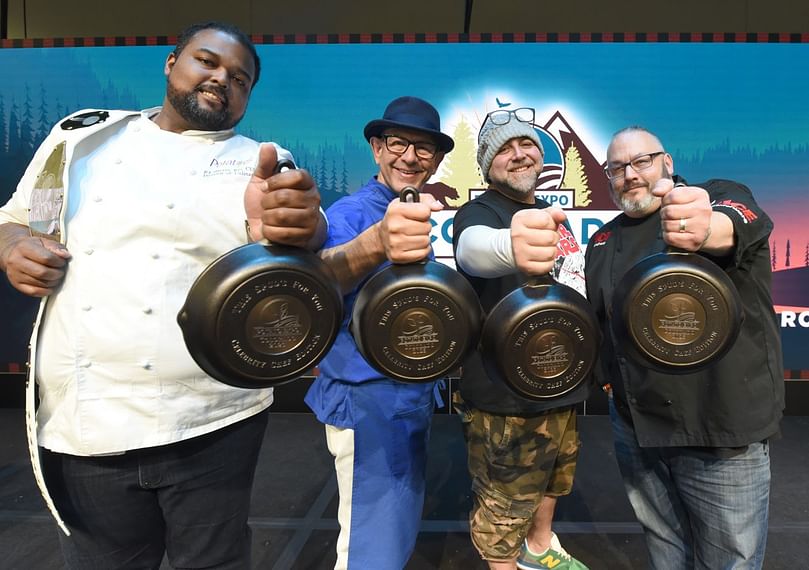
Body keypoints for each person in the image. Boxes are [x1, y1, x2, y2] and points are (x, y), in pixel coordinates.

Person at [0, 21, 326, 569]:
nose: (222, 79)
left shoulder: (264, 160)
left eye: (240, 79)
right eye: (208, 61)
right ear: (171, 63)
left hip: (215, 418)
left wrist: (299, 227)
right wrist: (13, 247)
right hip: (88, 419)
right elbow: (16, 220)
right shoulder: (79, 139)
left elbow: (299, 238)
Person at [585, 126, 784, 569]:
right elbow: (604, 328)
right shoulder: (601, 242)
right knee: (666, 553)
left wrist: (707, 226)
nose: (630, 175)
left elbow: (735, 221)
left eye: (641, 161)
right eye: (617, 168)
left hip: (719, 431)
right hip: (638, 432)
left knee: (730, 561)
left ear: (668, 163)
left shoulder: (716, 196)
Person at [305, 96, 452, 569]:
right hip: (367, 402)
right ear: (376, 148)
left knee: (394, 528)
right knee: (372, 546)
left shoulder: (418, 212)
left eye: (424, 149)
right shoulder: (351, 214)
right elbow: (317, 281)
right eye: (398, 142)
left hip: (407, 398)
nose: (410, 156)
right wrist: (373, 246)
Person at [452, 107, 590, 570]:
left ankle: (540, 548)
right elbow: (473, 250)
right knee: (503, 505)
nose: (518, 154)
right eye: (504, 149)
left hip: (560, 382)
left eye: (525, 144)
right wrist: (509, 246)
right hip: (505, 397)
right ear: (487, 165)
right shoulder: (481, 212)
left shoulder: (546, 212)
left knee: (554, 478)